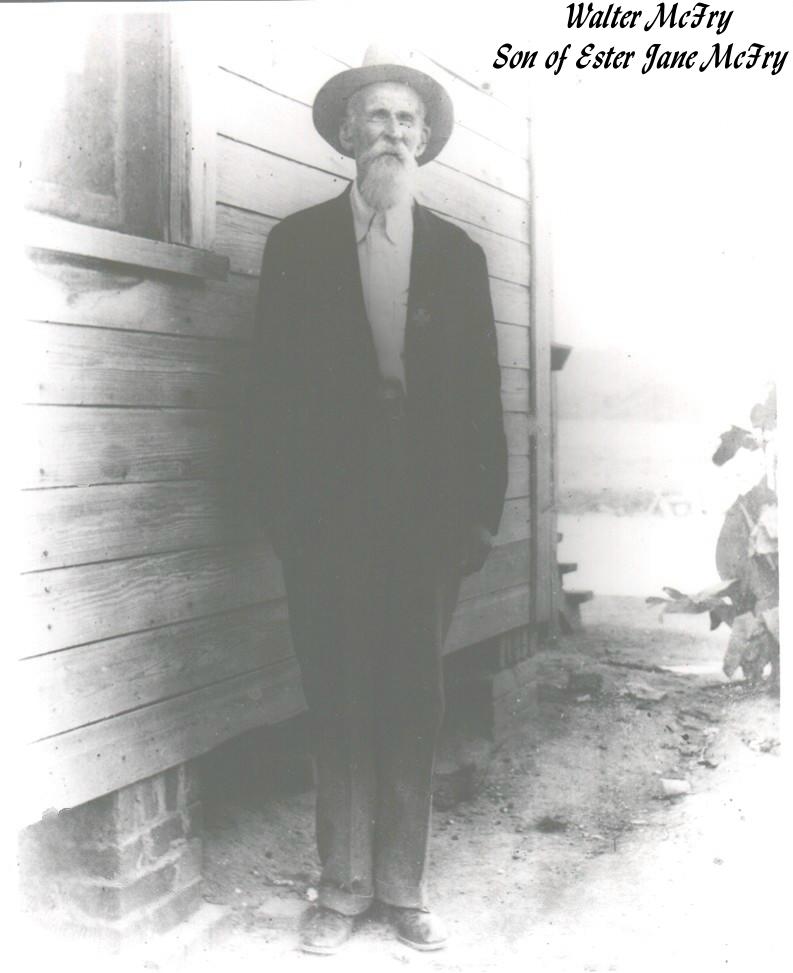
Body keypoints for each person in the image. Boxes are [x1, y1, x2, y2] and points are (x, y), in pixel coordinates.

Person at [243, 46, 508, 954]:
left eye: (406, 120)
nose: (391, 133)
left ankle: (403, 886)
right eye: (376, 118)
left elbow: (481, 397)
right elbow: (267, 395)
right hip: (327, 517)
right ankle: (342, 888)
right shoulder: (297, 245)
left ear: (423, 140)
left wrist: (477, 519)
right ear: (348, 135)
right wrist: (287, 517)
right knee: (338, 690)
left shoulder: (457, 256)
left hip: (427, 518)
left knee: (411, 694)